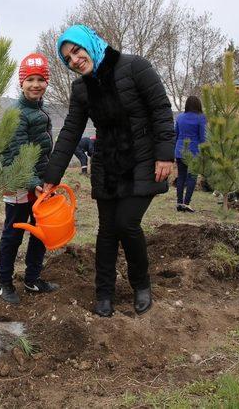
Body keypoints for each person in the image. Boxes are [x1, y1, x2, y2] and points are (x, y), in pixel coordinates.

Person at [42, 25, 175, 317]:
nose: (75, 60)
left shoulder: (135, 67)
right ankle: (104, 293)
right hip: (108, 166)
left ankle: (141, 284)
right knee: (106, 231)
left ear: (90, 43)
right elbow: (70, 134)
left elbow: (161, 109)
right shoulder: (81, 90)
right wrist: (52, 177)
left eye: (76, 50)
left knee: (127, 223)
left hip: (142, 160)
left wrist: (165, 154)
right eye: (67, 59)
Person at [0, 53, 59, 305]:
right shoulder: (17, 114)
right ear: (21, 83)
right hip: (19, 182)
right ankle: (4, 282)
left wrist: (47, 179)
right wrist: (33, 181)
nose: (36, 84)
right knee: (13, 233)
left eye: (41, 79)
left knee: (41, 231)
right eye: (30, 79)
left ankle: (32, 278)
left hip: (40, 183)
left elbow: (42, 151)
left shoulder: (40, 109)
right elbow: (16, 154)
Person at [174, 96, 206, 212]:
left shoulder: (180, 117)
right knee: (192, 177)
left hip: (180, 150)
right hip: (194, 151)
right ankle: (186, 203)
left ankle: (179, 203)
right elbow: (203, 137)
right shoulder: (201, 118)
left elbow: (175, 134)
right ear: (198, 105)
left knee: (181, 176)